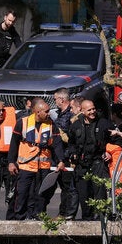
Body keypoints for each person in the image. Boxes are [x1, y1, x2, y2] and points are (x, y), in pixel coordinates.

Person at [8, 97, 58, 219]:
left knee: (40, 196)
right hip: (26, 166)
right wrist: (11, 162)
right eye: (46, 111)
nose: (49, 113)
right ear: (37, 112)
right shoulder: (22, 123)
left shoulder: (51, 124)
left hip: (43, 167)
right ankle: (20, 218)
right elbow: (13, 144)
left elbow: (57, 144)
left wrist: (60, 161)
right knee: (22, 194)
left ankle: (38, 217)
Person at [65, 99, 113, 221]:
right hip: (82, 165)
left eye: (93, 109)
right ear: (82, 111)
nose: (92, 112)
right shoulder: (75, 125)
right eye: (89, 110)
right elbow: (71, 144)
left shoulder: (104, 124)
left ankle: (100, 219)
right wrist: (73, 153)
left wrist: (109, 151)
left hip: (98, 163)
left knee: (99, 193)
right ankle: (87, 218)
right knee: (84, 194)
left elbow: (115, 140)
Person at [52, 88, 78, 218]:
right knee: (59, 186)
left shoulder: (70, 115)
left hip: (67, 156)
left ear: (62, 99)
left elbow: (70, 136)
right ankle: (63, 212)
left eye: (55, 98)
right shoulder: (60, 114)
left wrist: (59, 133)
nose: (54, 101)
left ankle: (66, 213)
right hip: (58, 156)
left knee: (67, 187)